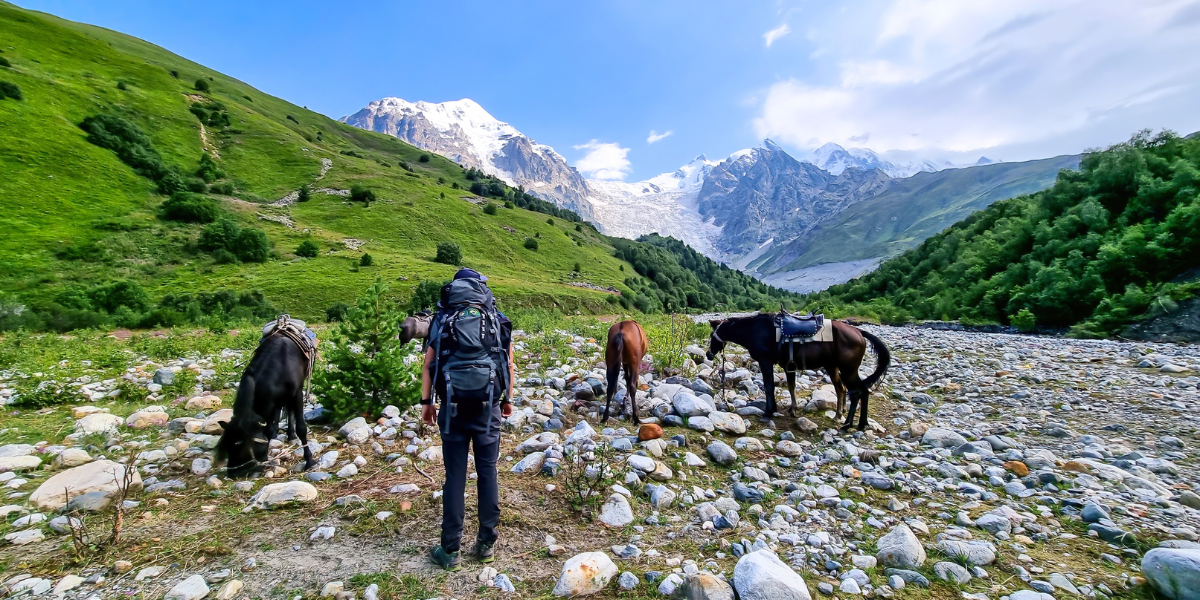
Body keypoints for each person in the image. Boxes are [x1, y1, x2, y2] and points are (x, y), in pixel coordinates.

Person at [421, 267, 515, 571]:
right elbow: (508, 363)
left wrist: (427, 403)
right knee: (488, 472)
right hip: (488, 408)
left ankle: (450, 550)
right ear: (482, 290)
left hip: (451, 408)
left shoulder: (443, 319)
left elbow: (429, 365)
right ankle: (486, 544)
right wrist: (508, 399)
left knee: (455, 478)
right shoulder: (495, 318)